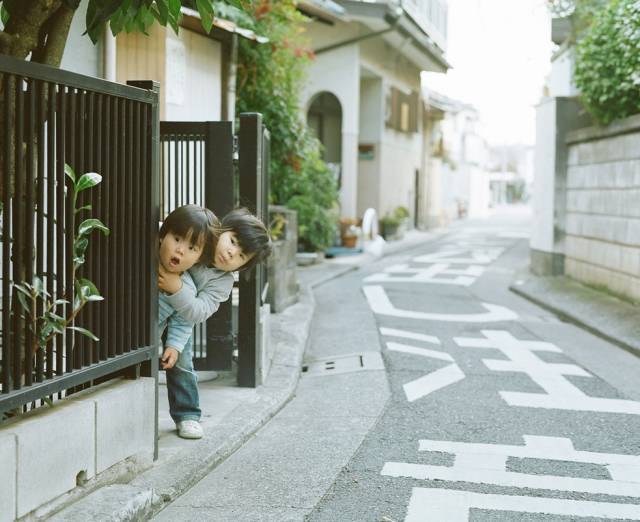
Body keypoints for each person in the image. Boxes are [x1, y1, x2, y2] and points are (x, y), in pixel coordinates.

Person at [159, 206, 272, 439]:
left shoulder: (222, 283)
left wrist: (176, 288)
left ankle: (187, 414)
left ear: (242, 266)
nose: (231, 253)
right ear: (220, 229)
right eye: (232, 241)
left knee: (181, 363)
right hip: (157, 308)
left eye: (241, 255)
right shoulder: (196, 239)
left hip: (183, 320)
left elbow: (197, 312)